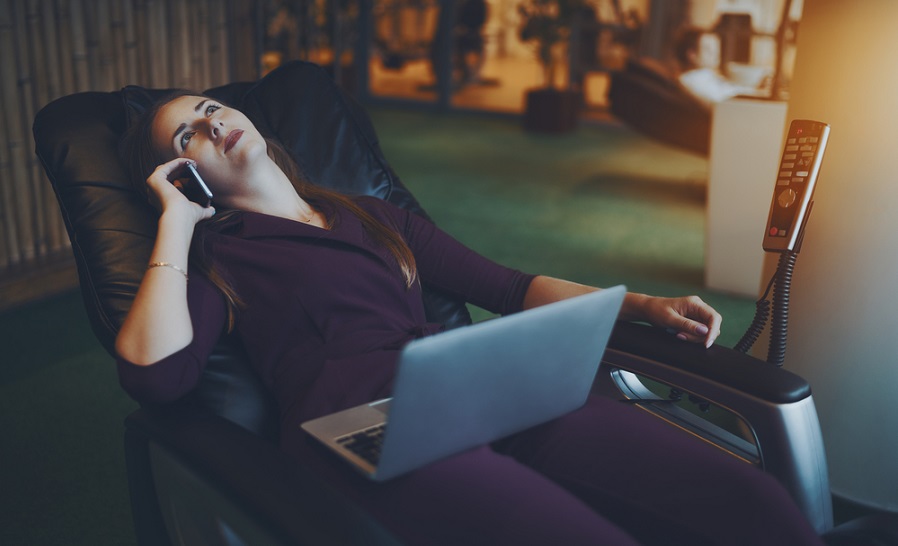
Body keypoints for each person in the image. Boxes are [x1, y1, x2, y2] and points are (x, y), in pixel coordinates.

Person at [114, 92, 822, 545]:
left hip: (479, 391)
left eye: (210, 107)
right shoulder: (217, 258)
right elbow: (157, 376)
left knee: (749, 503)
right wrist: (177, 223)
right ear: (184, 175)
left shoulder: (369, 215)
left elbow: (508, 286)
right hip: (365, 433)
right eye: (187, 138)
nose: (211, 122)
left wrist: (639, 305)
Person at [674, 27, 769, 107]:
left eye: (716, 48)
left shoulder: (704, 76)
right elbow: (723, 103)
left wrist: (757, 91)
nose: (716, 54)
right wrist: (758, 94)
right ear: (692, 55)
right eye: (708, 49)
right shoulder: (692, 79)